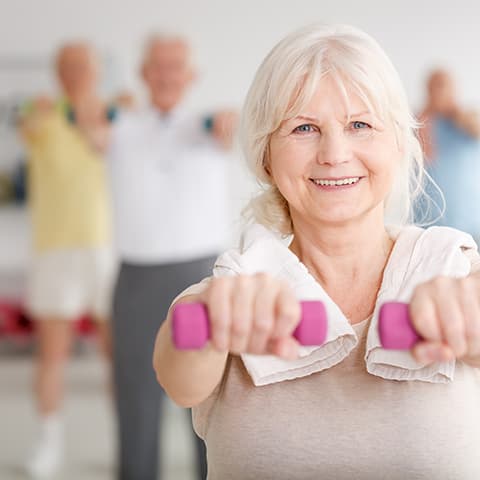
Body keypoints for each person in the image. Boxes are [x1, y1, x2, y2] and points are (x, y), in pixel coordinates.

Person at [153, 24, 480, 480]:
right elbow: (179, 378)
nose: (334, 153)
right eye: (304, 128)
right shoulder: (239, 283)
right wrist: (208, 321)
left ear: (400, 143)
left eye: (360, 125)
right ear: (266, 154)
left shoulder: (455, 268)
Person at [107, 35, 236, 480]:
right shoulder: (119, 124)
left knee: (203, 395)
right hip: (137, 277)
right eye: (157, 66)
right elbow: (89, 128)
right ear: (144, 73)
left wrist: (227, 124)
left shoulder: (208, 124)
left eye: (175, 65)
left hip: (199, 276)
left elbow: (232, 130)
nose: (166, 75)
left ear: (191, 75)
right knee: (135, 395)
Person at [19, 42, 116, 478]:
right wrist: (60, 111)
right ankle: (48, 445)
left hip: (105, 249)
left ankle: (125, 444)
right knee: (51, 355)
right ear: (57, 72)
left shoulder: (113, 114)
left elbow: (105, 143)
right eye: (68, 66)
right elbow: (28, 124)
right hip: (54, 250)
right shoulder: (40, 115)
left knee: (120, 356)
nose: (75, 72)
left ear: (95, 71)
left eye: (83, 65)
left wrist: (98, 114)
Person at [416, 69, 480, 238]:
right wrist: (426, 117)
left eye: (443, 85)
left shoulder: (466, 120)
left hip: (469, 227)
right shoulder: (418, 122)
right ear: (427, 90)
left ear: (454, 89)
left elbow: (475, 127)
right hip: (426, 228)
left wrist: (455, 111)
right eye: (435, 86)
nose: (439, 92)